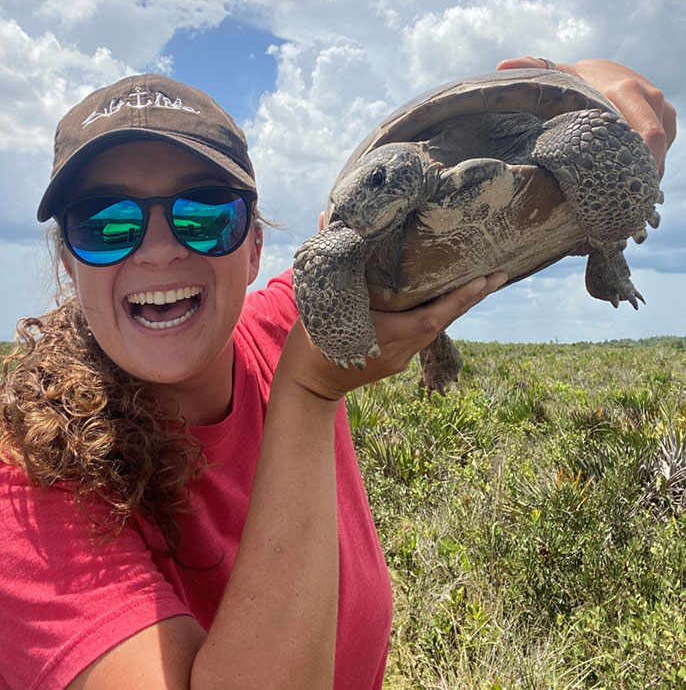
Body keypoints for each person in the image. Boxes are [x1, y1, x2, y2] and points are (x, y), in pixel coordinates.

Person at [0, 57, 676, 690]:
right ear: (68, 260)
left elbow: (452, 266)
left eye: (205, 213)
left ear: (257, 243)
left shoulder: (282, 325)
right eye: (106, 223)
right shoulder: (26, 494)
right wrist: (308, 391)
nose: (157, 250)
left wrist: (591, 87)